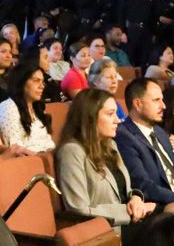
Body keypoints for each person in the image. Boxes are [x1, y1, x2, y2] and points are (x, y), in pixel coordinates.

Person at [55, 89, 154, 225]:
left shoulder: (110, 145)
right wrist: (127, 211)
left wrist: (136, 198)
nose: (118, 120)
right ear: (90, 117)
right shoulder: (72, 151)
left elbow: (124, 191)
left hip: (130, 222)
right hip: (106, 231)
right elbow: (78, 210)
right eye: (110, 114)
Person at [115, 78, 174, 206]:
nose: (163, 106)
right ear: (138, 104)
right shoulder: (124, 136)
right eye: (156, 100)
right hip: (162, 208)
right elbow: (143, 185)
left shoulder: (159, 132)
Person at [0, 57, 55, 154]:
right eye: (36, 80)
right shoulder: (7, 108)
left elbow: (49, 142)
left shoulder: (37, 107)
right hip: (26, 163)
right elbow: (16, 150)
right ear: (21, 82)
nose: (42, 86)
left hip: (45, 159)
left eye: (42, 82)